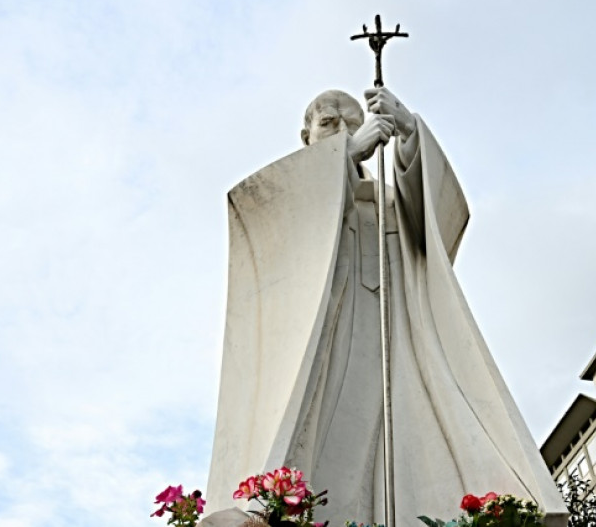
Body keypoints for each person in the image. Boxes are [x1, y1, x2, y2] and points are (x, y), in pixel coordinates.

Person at [204, 88, 565, 526]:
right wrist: (344, 155)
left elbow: (437, 219)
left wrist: (411, 133)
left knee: (404, 436)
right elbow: (258, 214)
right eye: (330, 124)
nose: (344, 131)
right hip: (326, 343)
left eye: (353, 123)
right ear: (307, 136)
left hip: (397, 338)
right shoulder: (289, 196)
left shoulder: (389, 205)